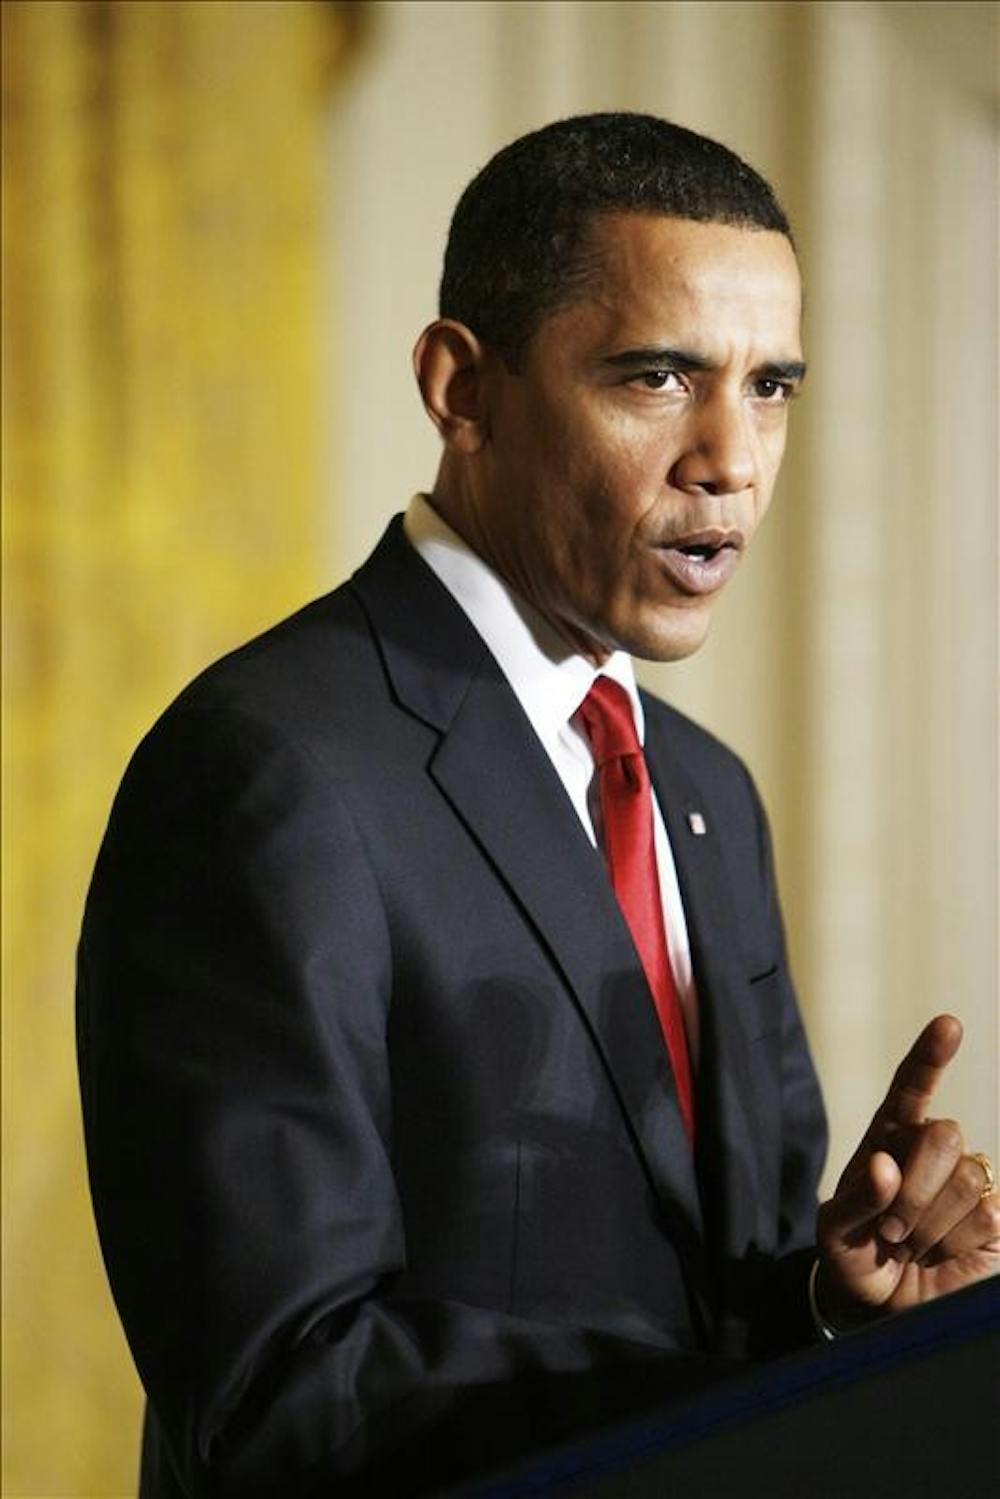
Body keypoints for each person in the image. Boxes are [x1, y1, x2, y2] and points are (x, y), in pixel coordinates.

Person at [77, 114, 998, 1498]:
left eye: (769, 387)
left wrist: (832, 1311)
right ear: (463, 388)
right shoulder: (265, 773)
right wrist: (743, 1410)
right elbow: (281, 1394)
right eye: (658, 378)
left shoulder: (705, 792)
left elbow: (700, 1305)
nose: (732, 459)